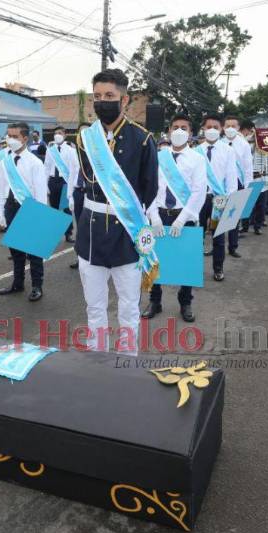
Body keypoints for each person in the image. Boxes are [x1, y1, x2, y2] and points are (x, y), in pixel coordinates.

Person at [76, 69, 158, 352]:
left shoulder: (143, 139)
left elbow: (150, 189)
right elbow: (83, 183)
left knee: (128, 308)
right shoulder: (84, 138)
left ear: (124, 100)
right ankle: (98, 362)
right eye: (97, 96)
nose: (102, 102)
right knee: (94, 308)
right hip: (91, 233)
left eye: (109, 96)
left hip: (127, 232)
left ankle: (128, 363)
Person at [142, 113, 207, 323]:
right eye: (175, 127)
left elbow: (199, 192)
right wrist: (153, 215)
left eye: (184, 128)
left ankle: (185, 301)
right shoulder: (158, 157)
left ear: (191, 133)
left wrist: (183, 218)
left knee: (185, 261)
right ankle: (155, 300)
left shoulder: (197, 159)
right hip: (160, 214)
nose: (179, 131)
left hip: (183, 216)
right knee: (155, 260)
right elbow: (148, 188)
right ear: (169, 131)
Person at [0, 122, 49, 301]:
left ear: (25, 138)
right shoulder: (5, 161)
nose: (10, 139)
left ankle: (37, 286)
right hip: (11, 206)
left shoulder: (35, 162)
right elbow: (1, 187)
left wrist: (40, 216)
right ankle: (18, 283)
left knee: (33, 251)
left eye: (15, 136)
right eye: (8, 135)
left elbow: (40, 192)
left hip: (30, 208)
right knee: (15, 249)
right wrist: (1, 212)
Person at [198, 113, 238, 281]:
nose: (212, 130)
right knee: (195, 235)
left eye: (215, 127)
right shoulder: (196, 150)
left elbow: (231, 176)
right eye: (209, 127)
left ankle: (218, 268)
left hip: (219, 200)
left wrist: (229, 199)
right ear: (203, 129)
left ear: (221, 129)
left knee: (218, 236)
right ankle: (192, 268)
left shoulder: (228, 151)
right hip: (199, 200)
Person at [222, 114, 252, 253]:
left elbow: (247, 167)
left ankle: (233, 247)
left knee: (233, 217)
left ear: (238, 128)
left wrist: (247, 186)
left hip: (239, 183)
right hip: (221, 184)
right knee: (218, 217)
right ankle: (217, 246)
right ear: (223, 127)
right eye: (227, 126)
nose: (230, 128)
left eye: (233, 126)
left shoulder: (244, 144)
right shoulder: (219, 143)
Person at [44, 126, 79, 244]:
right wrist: (45, 184)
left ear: (65, 135)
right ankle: (54, 234)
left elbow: (75, 168)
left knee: (65, 209)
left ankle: (69, 233)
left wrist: (73, 185)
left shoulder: (70, 150)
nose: (56, 135)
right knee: (53, 209)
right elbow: (46, 167)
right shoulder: (50, 150)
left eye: (59, 133)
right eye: (55, 133)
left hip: (65, 182)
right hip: (53, 181)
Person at [69, 122, 92, 270]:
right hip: (78, 192)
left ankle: (95, 257)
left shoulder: (98, 152)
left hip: (92, 195)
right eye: (81, 132)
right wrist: (70, 195)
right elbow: (71, 175)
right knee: (80, 227)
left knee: (94, 227)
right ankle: (81, 258)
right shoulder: (73, 152)